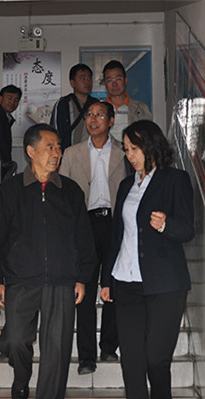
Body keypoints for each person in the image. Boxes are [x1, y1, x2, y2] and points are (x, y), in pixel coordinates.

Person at [0, 123, 97, 399]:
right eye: (50, 146)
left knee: (56, 350)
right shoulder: (11, 190)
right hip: (21, 279)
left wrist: (82, 278)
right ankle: (21, 375)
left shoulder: (70, 191)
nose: (56, 153)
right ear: (31, 151)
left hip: (62, 281)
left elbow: (84, 240)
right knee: (16, 340)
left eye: (59, 147)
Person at [100, 120, 194, 399]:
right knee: (132, 363)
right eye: (126, 149)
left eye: (134, 148)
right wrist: (107, 278)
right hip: (126, 282)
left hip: (165, 283)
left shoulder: (175, 180)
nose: (130, 155)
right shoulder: (126, 185)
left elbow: (188, 229)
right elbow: (117, 236)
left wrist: (166, 224)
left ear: (151, 145)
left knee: (156, 356)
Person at [59, 101, 129, 375]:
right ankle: (86, 356)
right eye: (89, 114)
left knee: (114, 285)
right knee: (84, 290)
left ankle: (109, 346)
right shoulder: (71, 153)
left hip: (114, 224)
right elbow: (62, 194)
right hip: (83, 225)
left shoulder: (125, 152)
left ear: (111, 120)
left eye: (100, 114)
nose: (93, 119)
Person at [50, 64, 99, 150]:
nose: (87, 81)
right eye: (83, 78)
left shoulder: (96, 104)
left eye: (89, 78)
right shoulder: (64, 103)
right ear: (72, 82)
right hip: (69, 154)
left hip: (92, 153)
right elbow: (56, 133)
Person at [102, 60, 152, 141]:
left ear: (125, 81)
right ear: (105, 84)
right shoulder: (97, 110)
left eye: (118, 79)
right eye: (109, 80)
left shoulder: (141, 108)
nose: (114, 84)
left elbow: (149, 139)